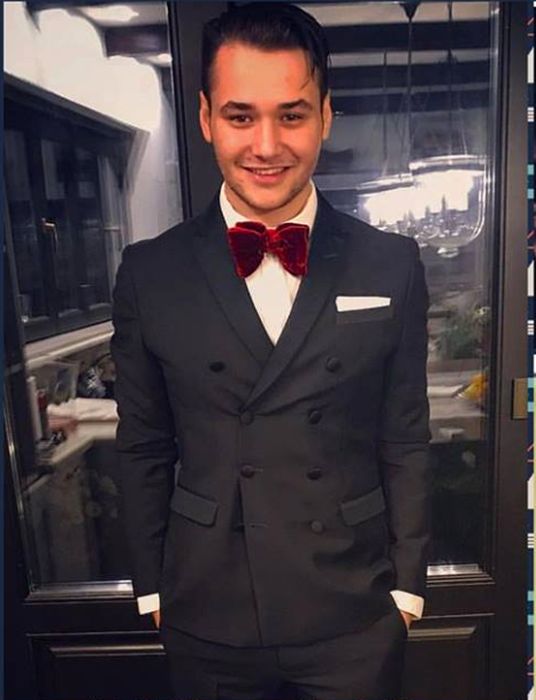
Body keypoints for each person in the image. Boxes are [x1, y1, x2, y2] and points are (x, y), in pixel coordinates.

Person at [111, 3, 431, 699]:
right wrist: (152, 587)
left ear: (325, 116)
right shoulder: (149, 273)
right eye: (240, 116)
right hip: (206, 606)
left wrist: (407, 586)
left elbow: (404, 436)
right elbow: (142, 445)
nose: (266, 145)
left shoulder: (392, 263)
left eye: (291, 115)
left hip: (352, 607)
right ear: (205, 118)